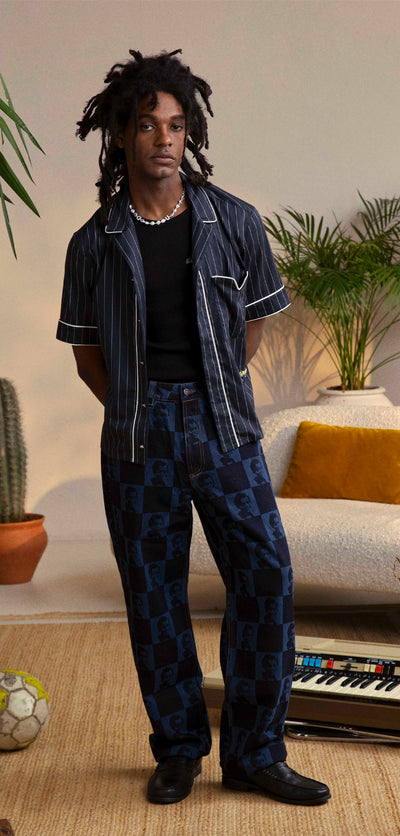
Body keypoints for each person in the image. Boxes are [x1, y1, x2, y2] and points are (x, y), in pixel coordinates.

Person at [57, 49, 330, 807]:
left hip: (223, 427)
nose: (164, 139)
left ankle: (255, 754)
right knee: (154, 595)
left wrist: (216, 390)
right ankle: (178, 749)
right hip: (137, 438)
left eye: (177, 126)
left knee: (265, 576)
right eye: (148, 125)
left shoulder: (233, 221)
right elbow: (86, 353)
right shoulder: (94, 242)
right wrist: (134, 407)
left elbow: (253, 327)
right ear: (122, 134)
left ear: (191, 134)